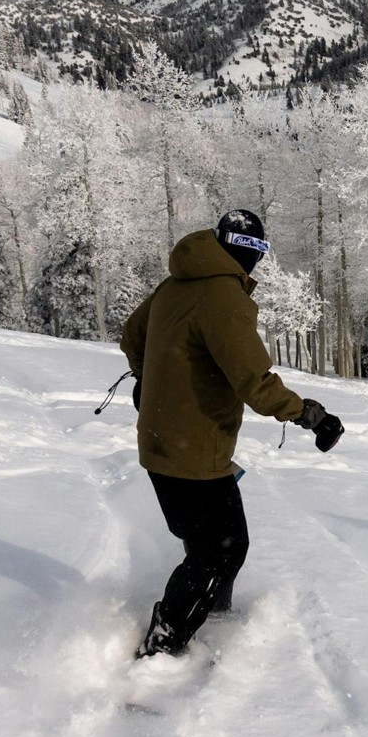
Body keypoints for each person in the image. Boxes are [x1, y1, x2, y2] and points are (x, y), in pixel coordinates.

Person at [120, 209, 344, 660]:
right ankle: (162, 648)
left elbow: (131, 336)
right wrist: (311, 415)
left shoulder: (178, 283)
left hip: (162, 439)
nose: (253, 261)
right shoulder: (223, 296)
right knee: (222, 551)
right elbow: (256, 385)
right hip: (195, 451)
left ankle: (212, 616)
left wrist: (149, 385)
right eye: (253, 252)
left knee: (207, 543)